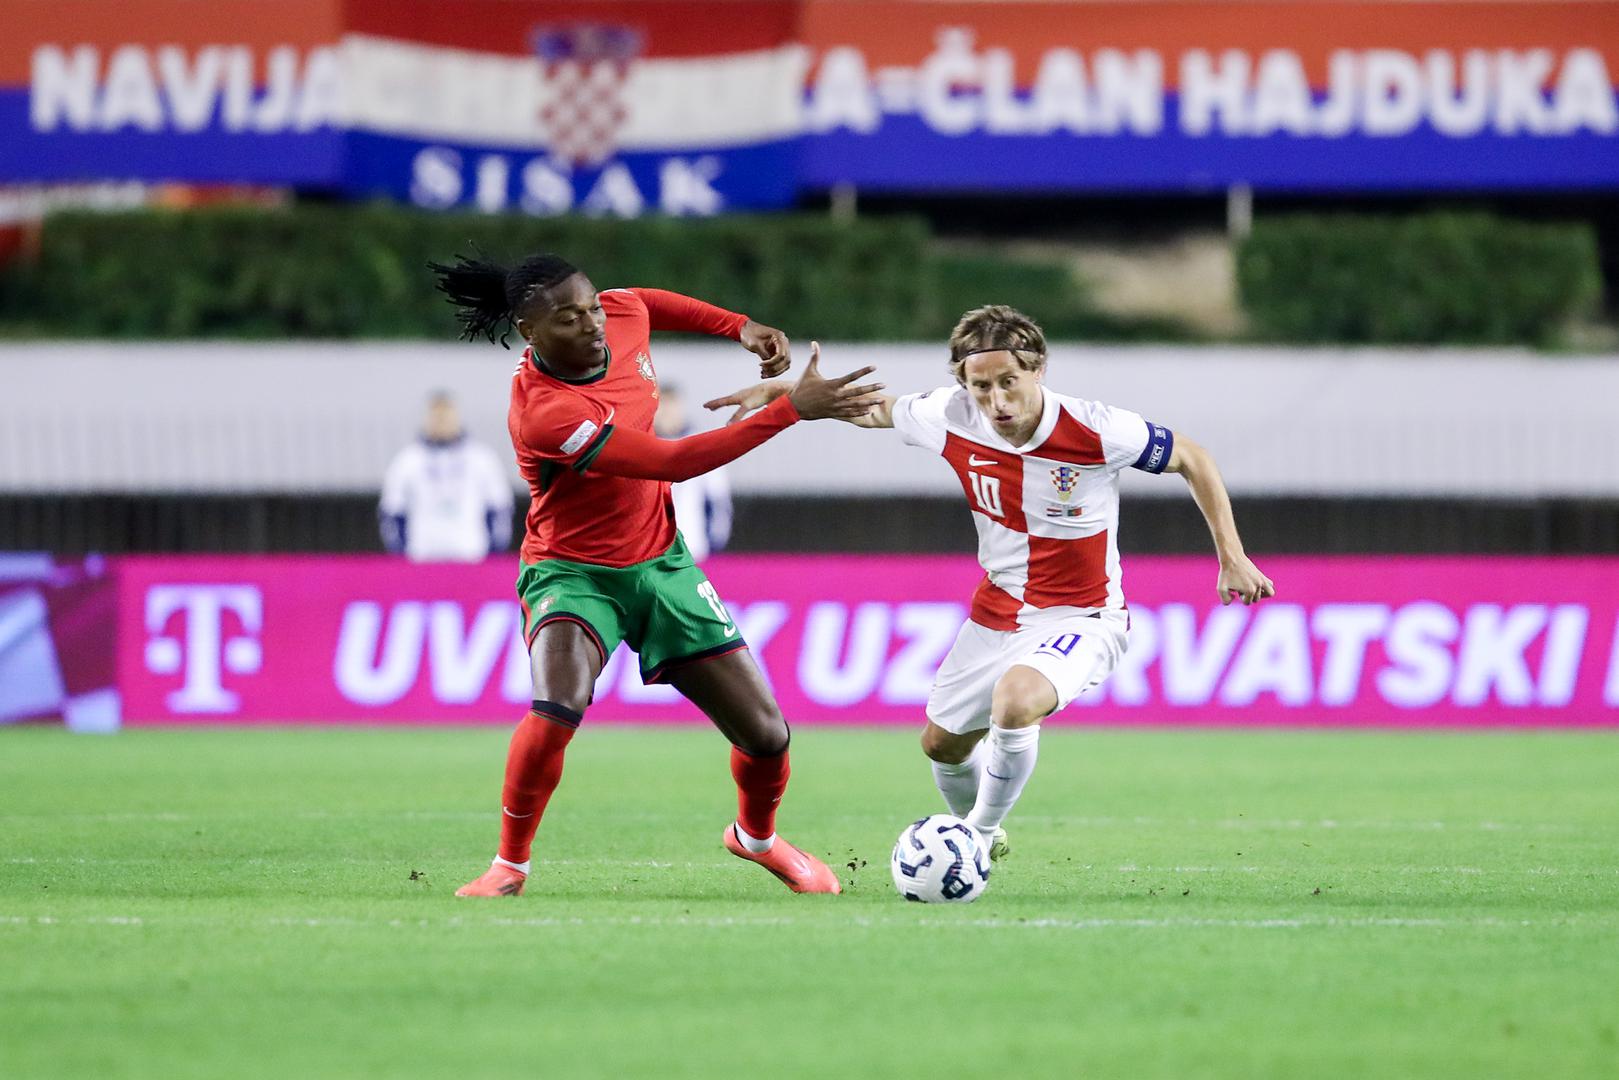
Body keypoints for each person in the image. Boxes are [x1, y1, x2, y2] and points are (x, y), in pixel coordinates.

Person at [705, 304, 1275, 861]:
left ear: (1038, 370)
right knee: (941, 745)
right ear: (963, 382)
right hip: (997, 612)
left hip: (1084, 615)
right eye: (981, 386)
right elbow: (868, 408)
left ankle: (974, 836)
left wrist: (1232, 556)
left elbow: (1193, 458)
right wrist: (782, 396)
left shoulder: (1097, 428)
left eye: (1009, 382)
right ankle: (979, 839)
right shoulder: (948, 414)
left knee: (1016, 701)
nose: (997, 401)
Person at [427, 251, 882, 897]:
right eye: (568, 319)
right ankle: (509, 866)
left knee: (767, 736)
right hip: (573, 573)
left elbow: (647, 302)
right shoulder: (548, 413)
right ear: (530, 333)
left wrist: (740, 326)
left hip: (662, 562)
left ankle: (756, 838)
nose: (591, 324)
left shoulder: (617, 314)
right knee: (557, 706)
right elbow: (672, 462)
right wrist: (790, 409)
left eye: (591, 307)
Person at [379, 391, 515, 562]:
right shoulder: (407, 460)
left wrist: (493, 556)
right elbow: (392, 511)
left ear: (457, 417)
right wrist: (401, 556)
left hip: (471, 556)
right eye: (436, 416)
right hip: (421, 558)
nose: (441, 421)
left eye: (447, 415)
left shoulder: (482, 458)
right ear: (426, 418)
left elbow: (500, 508)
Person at [655, 384, 733, 562]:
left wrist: (715, 540)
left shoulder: (701, 448)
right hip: (650, 550)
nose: (667, 412)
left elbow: (717, 498)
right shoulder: (642, 447)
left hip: (692, 546)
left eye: (671, 405)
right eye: (662, 405)